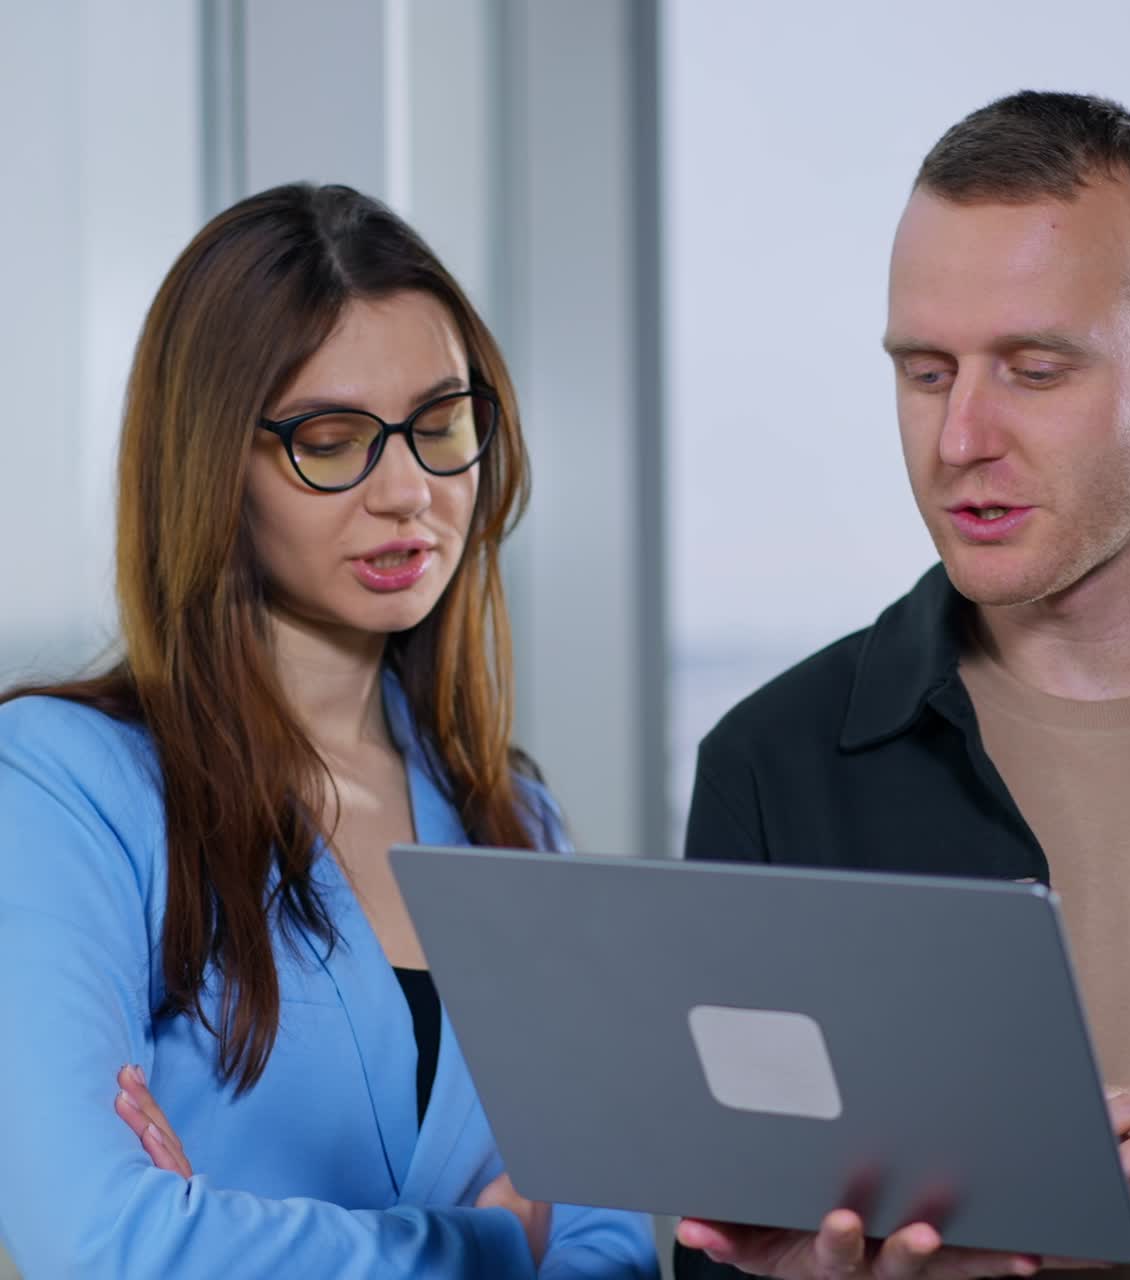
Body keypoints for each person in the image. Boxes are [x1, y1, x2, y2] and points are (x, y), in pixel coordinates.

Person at [0, 183, 657, 1279]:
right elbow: (104, 1241)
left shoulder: (518, 820)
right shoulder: (66, 785)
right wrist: (493, 1242)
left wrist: (227, 1232)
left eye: (440, 425)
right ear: (215, 465)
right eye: (332, 440)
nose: (408, 491)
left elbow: (609, 1248)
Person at [674, 91, 1130, 1280]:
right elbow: (720, 1238)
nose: (958, 438)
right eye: (924, 371)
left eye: (1033, 370)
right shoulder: (767, 762)